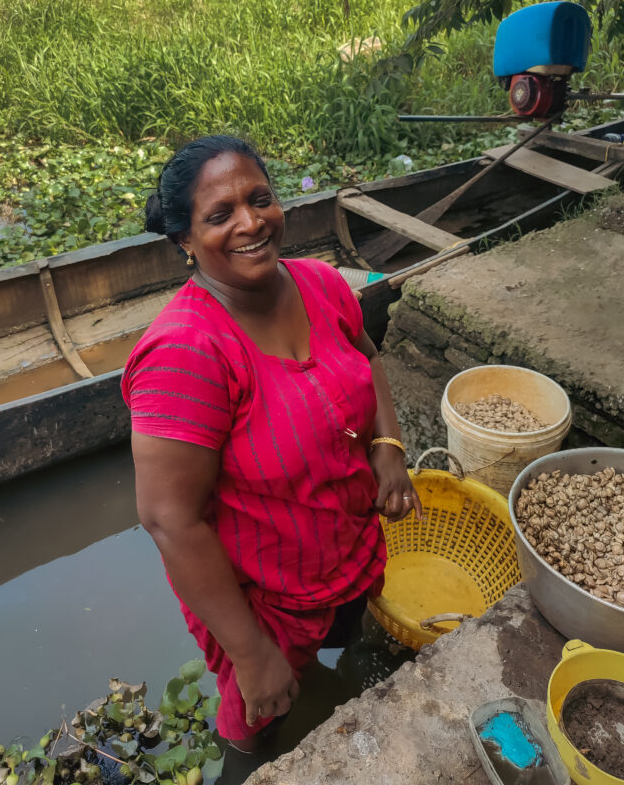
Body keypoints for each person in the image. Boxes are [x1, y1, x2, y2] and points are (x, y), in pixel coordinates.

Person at [122, 134, 422, 750]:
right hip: (267, 605)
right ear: (185, 240)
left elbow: (367, 360)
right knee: (258, 733)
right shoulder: (187, 353)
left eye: (260, 199)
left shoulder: (320, 285)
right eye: (220, 214)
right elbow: (170, 520)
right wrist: (254, 654)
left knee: (340, 649)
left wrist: (386, 446)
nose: (250, 222)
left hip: (351, 553)